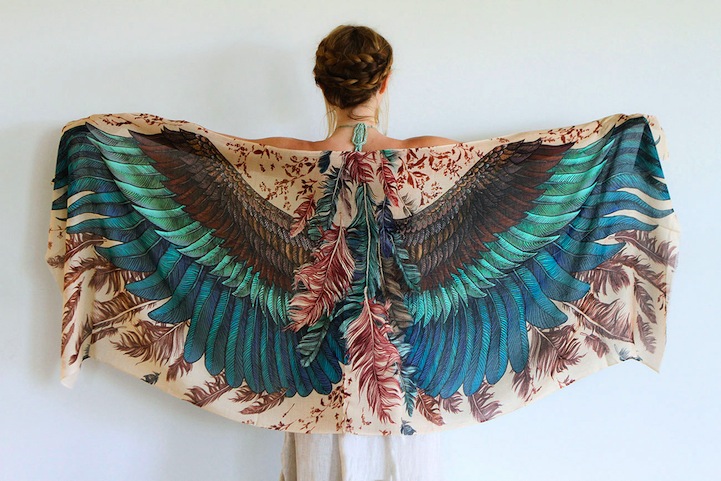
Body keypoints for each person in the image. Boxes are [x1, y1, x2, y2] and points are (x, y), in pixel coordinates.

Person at [271, 24, 450, 481]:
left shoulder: (285, 159)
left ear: (321, 85)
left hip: (317, 386)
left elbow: (198, 153)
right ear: (384, 82)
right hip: (402, 389)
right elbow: (520, 160)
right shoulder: (430, 158)